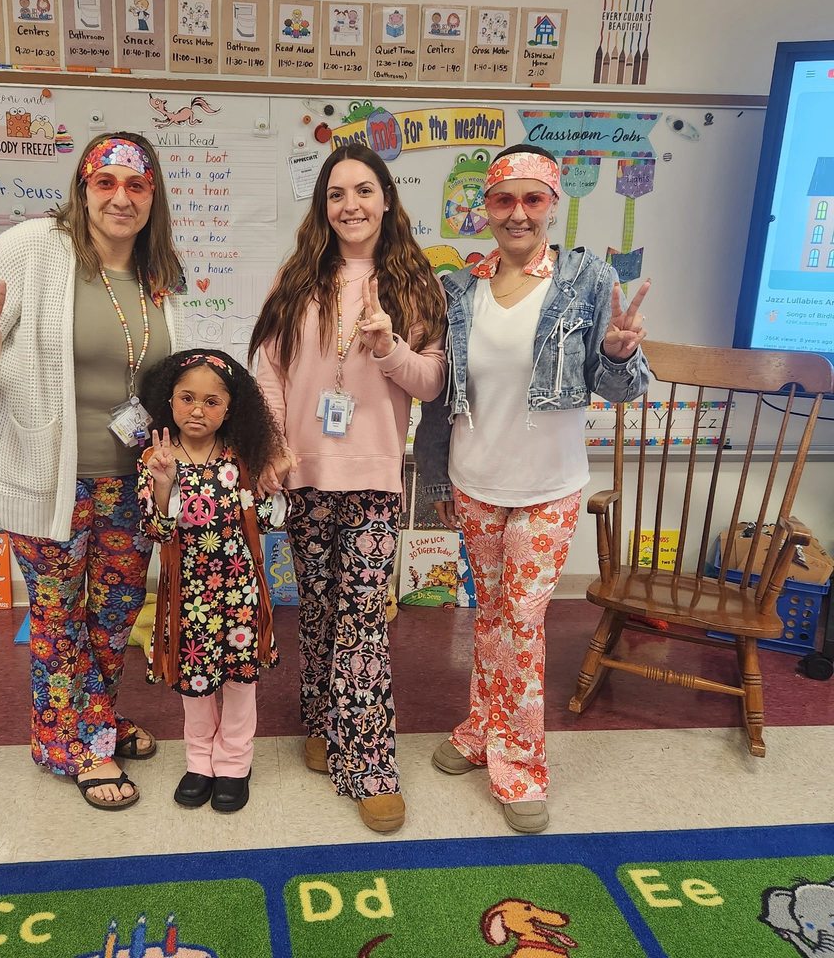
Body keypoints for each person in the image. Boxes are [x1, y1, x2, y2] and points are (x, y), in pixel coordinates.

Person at [0, 132, 188, 811]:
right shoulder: (35, 248)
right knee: (58, 616)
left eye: (135, 185)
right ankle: (72, 744)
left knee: (111, 617)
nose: (120, 198)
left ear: (151, 194)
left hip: (130, 483)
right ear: (83, 188)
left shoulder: (159, 271)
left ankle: (89, 723)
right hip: (49, 478)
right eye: (105, 183)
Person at [414, 144, 650, 834]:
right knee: (490, 616)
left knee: (522, 624)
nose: (518, 213)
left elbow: (621, 389)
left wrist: (619, 352)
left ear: (551, 205)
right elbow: (441, 399)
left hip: (549, 487)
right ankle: (478, 728)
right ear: (485, 208)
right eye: (503, 199)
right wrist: (434, 479)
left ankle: (519, 766)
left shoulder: (586, 280)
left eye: (533, 199)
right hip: (475, 481)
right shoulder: (460, 288)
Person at [248, 143, 447, 833]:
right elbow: (267, 368)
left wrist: (391, 346)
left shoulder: (418, 284)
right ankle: (322, 721)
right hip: (305, 476)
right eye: (337, 194)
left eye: (364, 190)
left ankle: (369, 763)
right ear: (323, 207)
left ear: (387, 199)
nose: (351, 205)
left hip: (372, 480)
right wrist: (273, 441)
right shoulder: (298, 277)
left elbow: (431, 383)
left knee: (363, 617)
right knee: (319, 611)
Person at [136, 349, 286, 813]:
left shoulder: (242, 457)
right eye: (187, 398)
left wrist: (272, 489)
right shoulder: (155, 458)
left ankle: (235, 763)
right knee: (194, 684)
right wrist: (162, 484)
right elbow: (156, 531)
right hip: (188, 597)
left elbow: (265, 519)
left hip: (239, 591)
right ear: (170, 400)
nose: (198, 409)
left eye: (211, 401)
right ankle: (199, 762)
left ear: (229, 408)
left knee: (240, 683)